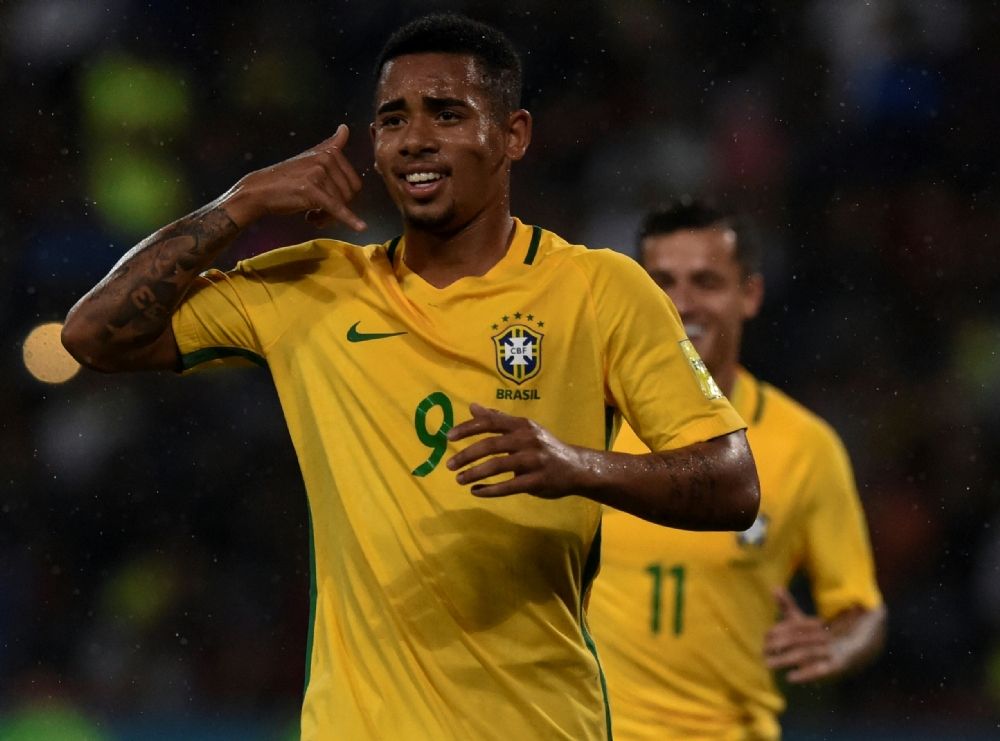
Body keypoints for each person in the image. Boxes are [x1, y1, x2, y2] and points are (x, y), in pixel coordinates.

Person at [61, 15, 760, 741]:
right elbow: (92, 334)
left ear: (514, 135)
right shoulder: (313, 286)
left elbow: (733, 482)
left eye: (447, 114)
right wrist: (238, 204)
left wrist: (577, 466)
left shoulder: (598, 288)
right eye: (394, 119)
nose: (415, 139)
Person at [586, 198, 887, 740]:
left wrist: (838, 641)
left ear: (749, 294)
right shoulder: (585, 419)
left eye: (706, 282)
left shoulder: (804, 445)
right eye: (662, 282)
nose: (682, 303)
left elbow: (861, 609)